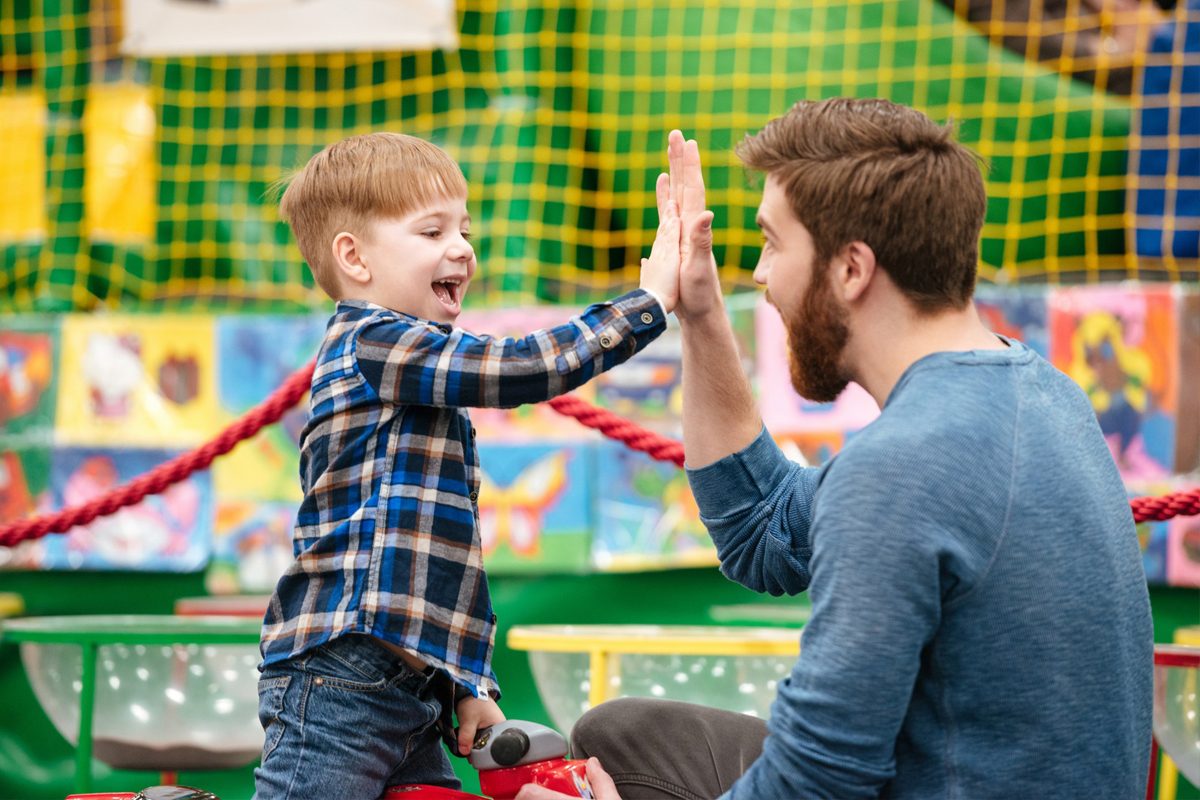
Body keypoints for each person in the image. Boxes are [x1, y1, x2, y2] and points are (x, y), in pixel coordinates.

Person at [518, 101, 1154, 799]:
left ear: (851, 268)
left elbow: (818, 779)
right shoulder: (1040, 391)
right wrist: (698, 311)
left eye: (772, 243)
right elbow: (763, 532)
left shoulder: (903, 466)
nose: (760, 274)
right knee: (627, 740)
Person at [254, 132, 682, 799]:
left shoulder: (415, 374)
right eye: (432, 231)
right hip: (337, 681)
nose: (461, 248)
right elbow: (521, 367)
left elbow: (431, 564)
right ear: (353, 257)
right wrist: (645, 304)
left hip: (406, 692)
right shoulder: (373, 342)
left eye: (464, 228)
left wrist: (468, 687)